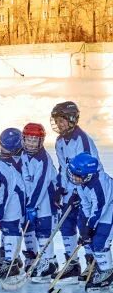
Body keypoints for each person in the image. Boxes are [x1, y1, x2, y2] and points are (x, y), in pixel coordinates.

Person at [52, 101, 101, 280]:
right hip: (70, 191)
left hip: (86, 191)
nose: (59, 124)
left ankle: (92, 263)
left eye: (62, 120)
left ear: (72, 119)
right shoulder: (59, 142)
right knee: (66, 226)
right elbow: (62, 167)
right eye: (57, 121)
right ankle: (72, 264)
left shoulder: (82, 140)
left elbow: (90, 168)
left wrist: (79, 193)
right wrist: (60, 187)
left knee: (84, 226)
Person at [67, 153, 113, 293]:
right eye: (72, 174)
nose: (74, 178)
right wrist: (86, 227)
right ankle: (102, 267)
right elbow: (86, 205)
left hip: (109, 210)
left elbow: (99, 208)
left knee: (100, 242)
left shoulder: (98, 184)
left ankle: (107, 273)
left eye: (77, 176)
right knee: (92, 240)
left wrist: (90, 227)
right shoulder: (82, 182)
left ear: (88, 175)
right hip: (99, 211)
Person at [20, 123, 59, 281]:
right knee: (30, 227)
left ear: (41, 141)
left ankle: (48, 262)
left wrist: (31, 204)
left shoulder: (43, 159)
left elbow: (40, 184)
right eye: (28, 139)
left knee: (43, 229)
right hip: (31, 199)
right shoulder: (22, 154)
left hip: (45, 199)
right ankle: (38, 259)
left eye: (35, 140)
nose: (31, 143)